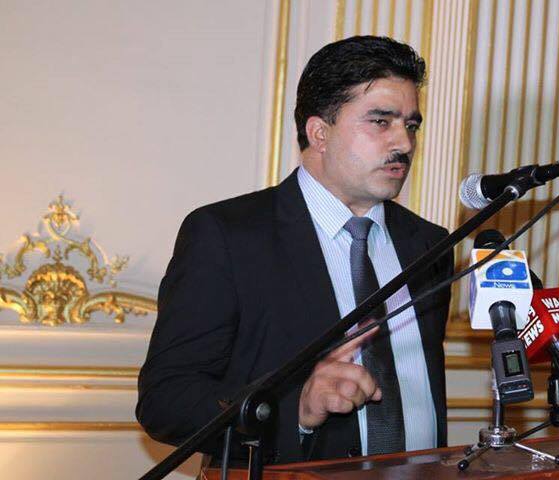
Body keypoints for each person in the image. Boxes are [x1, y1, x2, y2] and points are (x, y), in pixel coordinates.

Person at [136, 35, 454, 465]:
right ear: (319, 132)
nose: (405, 143)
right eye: (381, 121)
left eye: (411, 125)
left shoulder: (430, 244)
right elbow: (165, 400)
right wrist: (293, 412)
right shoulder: (228, 236)